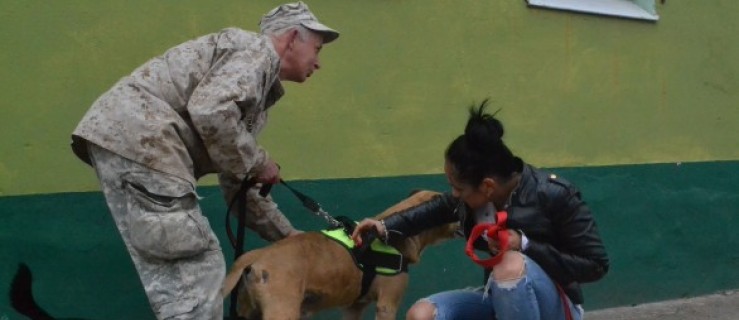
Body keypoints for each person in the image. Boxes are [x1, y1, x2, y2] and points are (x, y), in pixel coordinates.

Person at [69, 2, 339, 319]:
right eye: (317, 49)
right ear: (292, 37)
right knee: (197, 269)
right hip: (145, 139)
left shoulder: (254, 90)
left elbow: (236, 182)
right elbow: (210, 111)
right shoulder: (255, 53)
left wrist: (288, 235)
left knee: (177, 277)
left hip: (129, 142)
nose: (318, 63)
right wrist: (260, 161)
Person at [351, 101, 609, 320]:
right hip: (500, 298)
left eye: (458, 188)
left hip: (556, 307)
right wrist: (383, 225)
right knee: (422, 314)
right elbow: (435, 209)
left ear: (487, 186)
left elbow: (595, 265)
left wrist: (525, 244)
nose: (453, 194)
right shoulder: (474, 200)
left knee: (509, 263)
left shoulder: (554, 194)